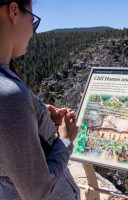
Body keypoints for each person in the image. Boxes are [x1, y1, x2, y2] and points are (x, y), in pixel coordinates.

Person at [0, 0, 80, 199]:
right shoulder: (8, 93)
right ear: (14, 11)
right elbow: (37, 191)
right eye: (33, 21)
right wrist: (66, 139)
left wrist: (36, 113)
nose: (32, 32)